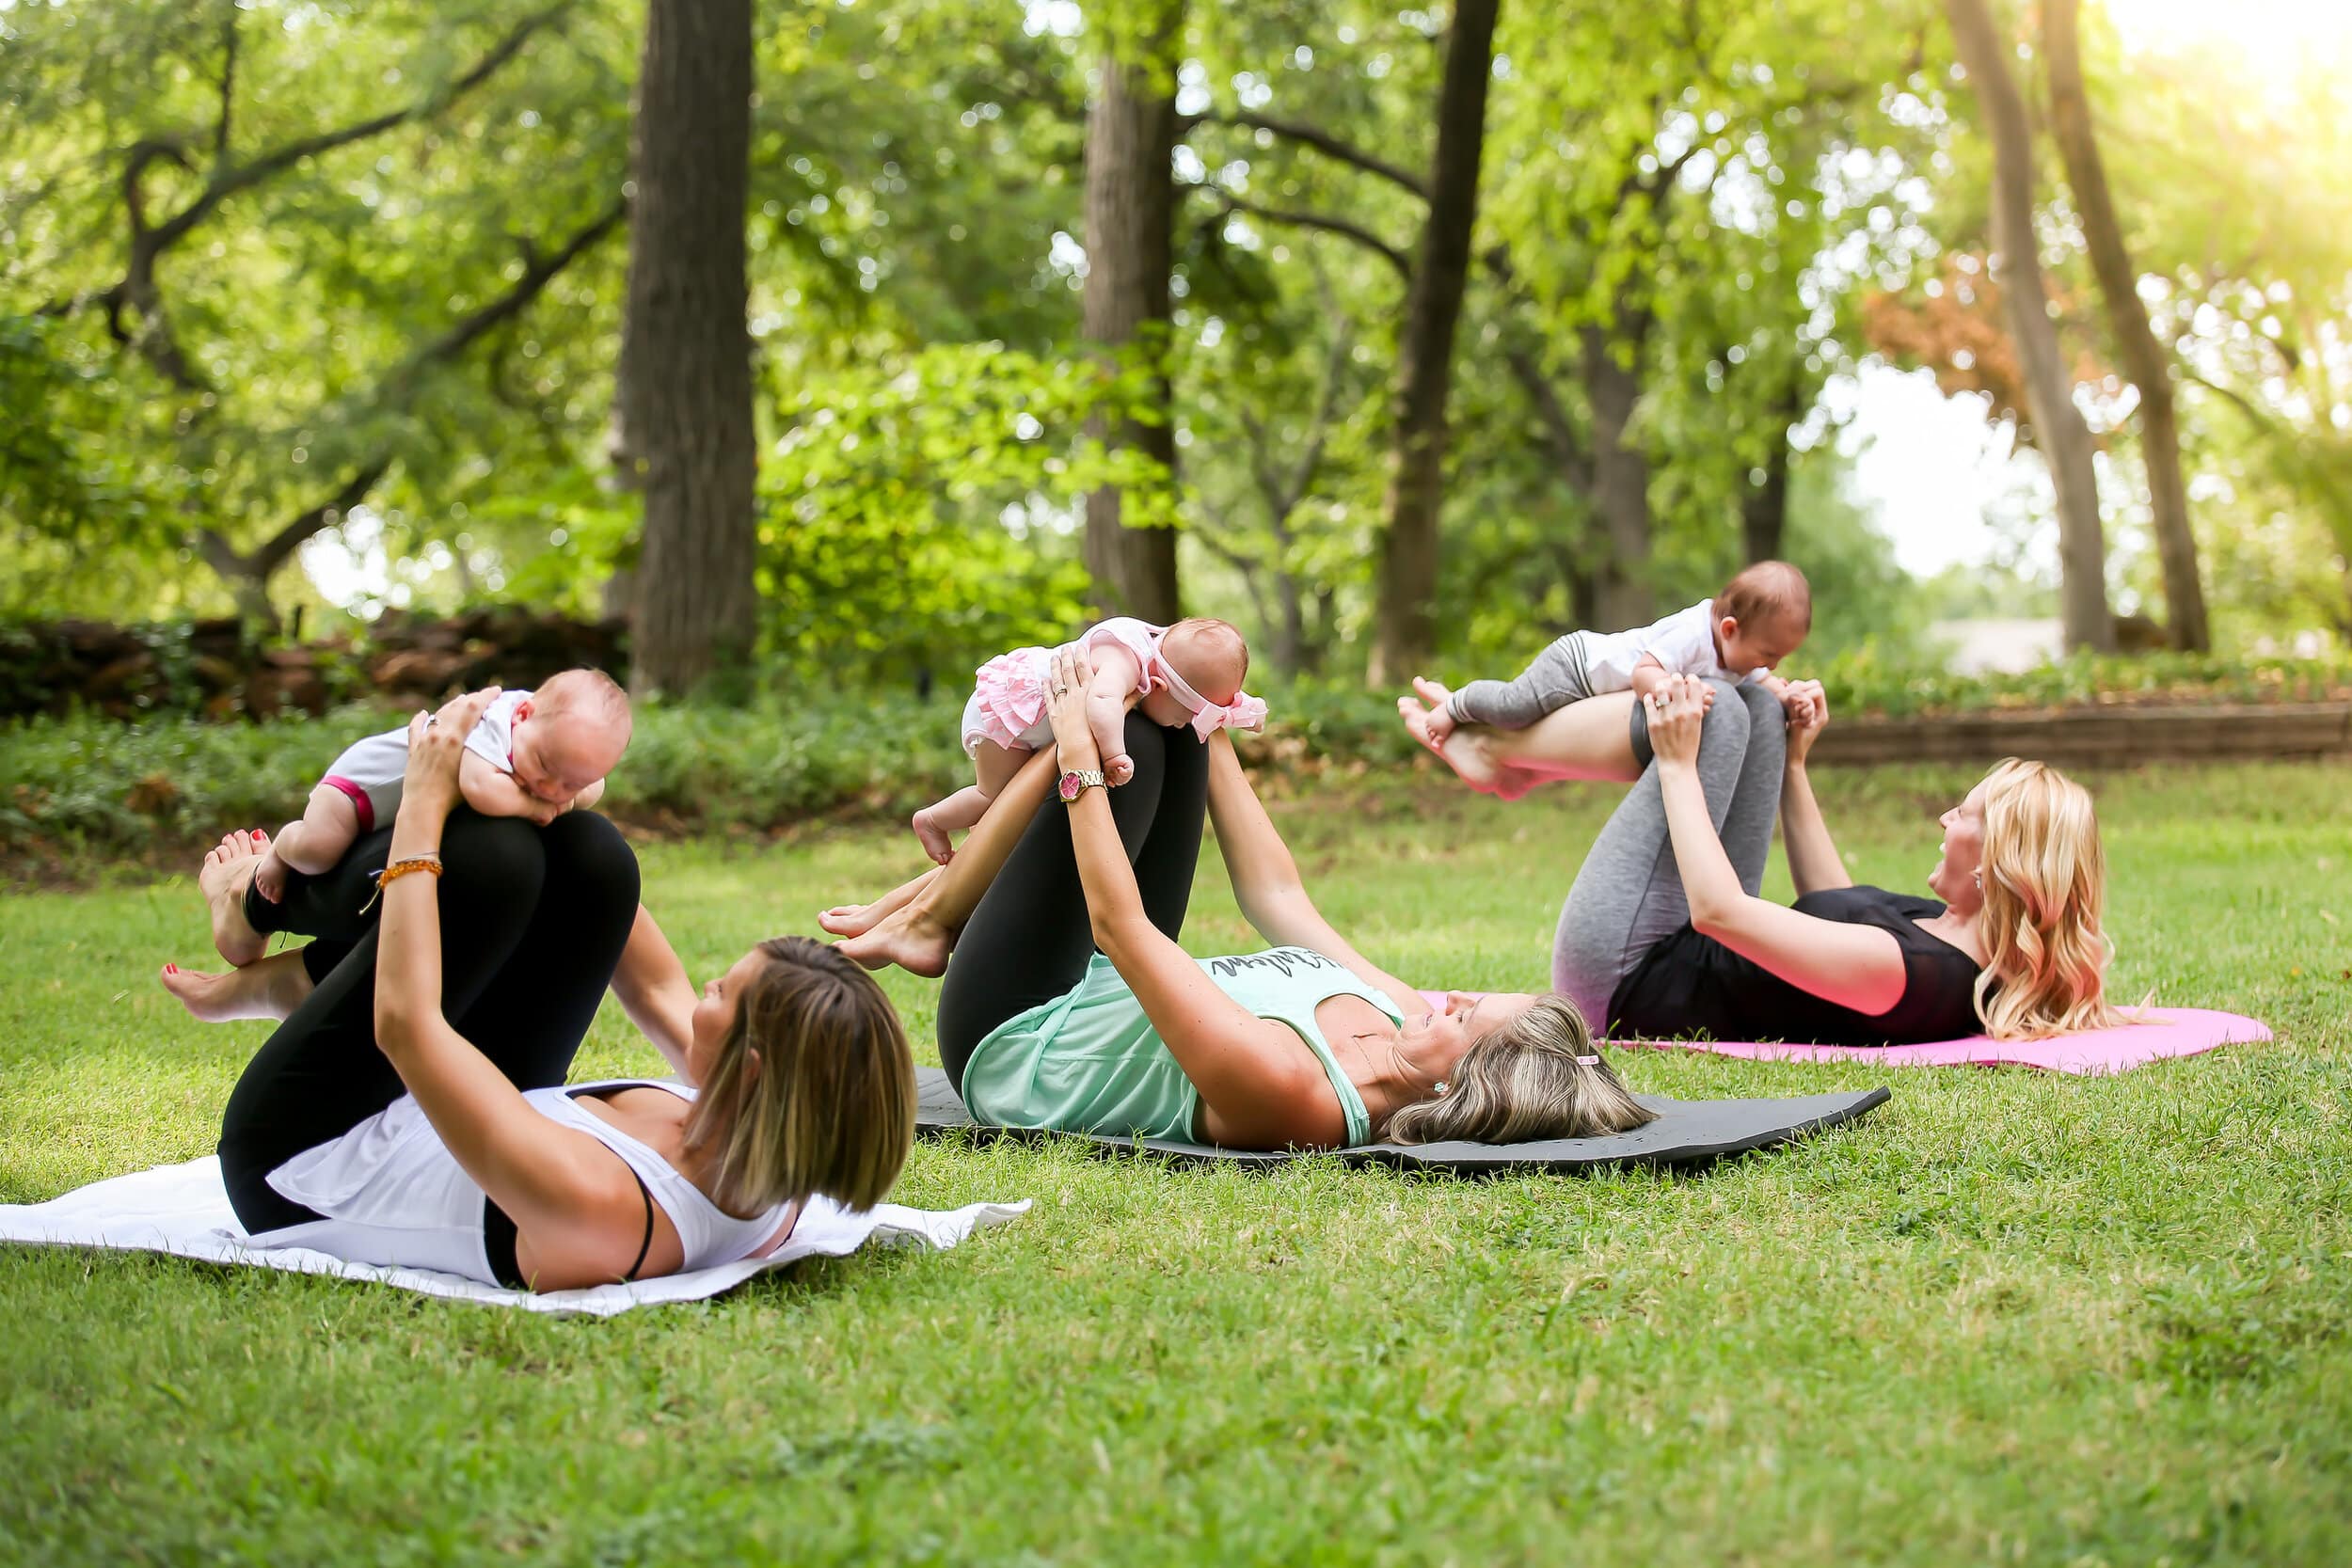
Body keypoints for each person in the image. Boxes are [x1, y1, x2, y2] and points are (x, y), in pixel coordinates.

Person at [191, 687, 914, 1292]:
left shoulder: (604, 1206)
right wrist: (548, 785)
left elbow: (407, 1027)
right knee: (593, 855)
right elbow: (653, 976)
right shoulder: (762, 1137)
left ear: (751, 1067)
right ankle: (304, 975)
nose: (709, 983)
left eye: (724, 990)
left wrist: (425, 793)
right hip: (449, 1106)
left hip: (307, 1155)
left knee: (486, 858)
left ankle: (257, 902)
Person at [823, 646, 1654, 1150]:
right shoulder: (1406, 1023)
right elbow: (1278, 898)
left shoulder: (1297, 1094)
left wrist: (1077, 750)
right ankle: (938, 899)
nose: (1457, 998)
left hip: (1021, 1027)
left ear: (1457, 1090)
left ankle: (935, 917)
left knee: (1123, 739)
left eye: (1469, 1017)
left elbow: (1123, 929)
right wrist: (1208, 715)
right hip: (1105, 972)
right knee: (1161, 729)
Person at [1517, 670, 2131, 1045]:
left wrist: (1677, 763)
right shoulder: (1955, 936)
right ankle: (1508, 753)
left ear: (1993, 865)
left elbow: (1719, 912)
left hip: (1630, 978)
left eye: (1964, 814)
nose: (1945, 817)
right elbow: (1841, 905)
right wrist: (1794, 761)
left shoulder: (1921, 975)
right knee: (1757, 706)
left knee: (1719, 712)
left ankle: (1506, 752)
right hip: (1677, 946)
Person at [239, 668, 633, 948]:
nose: (551, 788)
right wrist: (540, 808)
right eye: (545, 767)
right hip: (360, 790)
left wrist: (572, 792)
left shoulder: (547, 741)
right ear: (524, 715)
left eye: (571, 782)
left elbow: (595, 788)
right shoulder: (496, 721)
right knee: (318, 852)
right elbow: (480, 789)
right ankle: (277, 851)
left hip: (401, 811)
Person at [1403, 561, 1817, 797]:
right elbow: (1643, 673)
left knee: (1547, 740)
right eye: (1769, 654)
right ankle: (1458, 704)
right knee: (1515, 708)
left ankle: (1505, 761)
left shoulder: (1742, 649)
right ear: (1729, 629)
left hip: (1594, 694)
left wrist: (1788, 697)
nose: (1772, 666)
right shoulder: (1693, 633)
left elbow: (1763, 683)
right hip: (1576, 667)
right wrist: (1666, 688)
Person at [911, 617, 1266, 865]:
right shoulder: (1124, 661)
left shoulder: (1161, 652)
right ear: (1157, 687)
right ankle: (932, 820)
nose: (1183, 726)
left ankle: (982, 852)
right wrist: (1114, 755)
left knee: (1016, 806)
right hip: (1009, 715)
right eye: (1184, 716)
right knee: (994, 798)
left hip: (1031, 713)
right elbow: (1101, 703)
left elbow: (1202, 683)